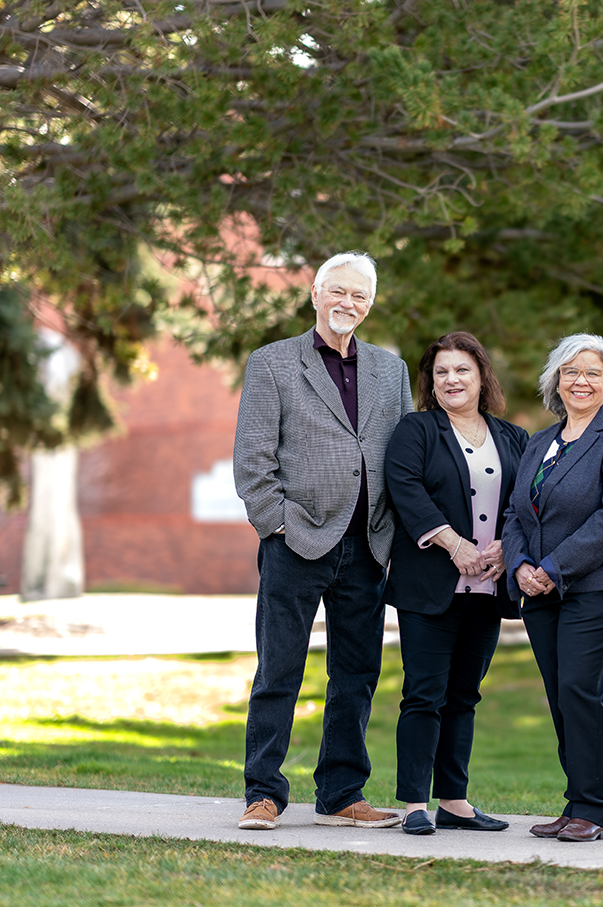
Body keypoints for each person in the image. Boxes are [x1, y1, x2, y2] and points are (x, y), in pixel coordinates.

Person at [232, 251, 413, 831]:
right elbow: (253, 458)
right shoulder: (273, 363)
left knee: (357, 674)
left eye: (360, 296)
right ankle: (263, 792)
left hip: (368, 544)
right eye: (338, 291)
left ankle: (341, 793)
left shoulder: (392, 371)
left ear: (370, 303)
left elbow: (404, 455)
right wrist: (276, 523)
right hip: (296, 540)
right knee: (279, 669)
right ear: (314, 293)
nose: (348, 303)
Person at [501, 334, 603, 844]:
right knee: (560, 696)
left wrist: (554, 566)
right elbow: (515, 511)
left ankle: (592, 809)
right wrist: (519, 565)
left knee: (579, 689)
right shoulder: (539, 442)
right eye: (571, 372)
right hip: (539, 589)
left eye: (593, 374)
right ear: (555, 382)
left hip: (597, 586)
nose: (581, 381)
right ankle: (578, 799)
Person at [383, 332, 529, 835]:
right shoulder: (416, 429)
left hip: (487, 589)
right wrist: (454, 544)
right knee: (424, 694)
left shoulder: (512, 437)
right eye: (441, 372)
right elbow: (405, 489)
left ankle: (454, 800)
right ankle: (413, 804)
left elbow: (527, 503)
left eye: (462, 370)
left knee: (464, 695)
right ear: (431, 381)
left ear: (482, 375)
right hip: (430, 587)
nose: (452, 380)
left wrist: (509, 547)